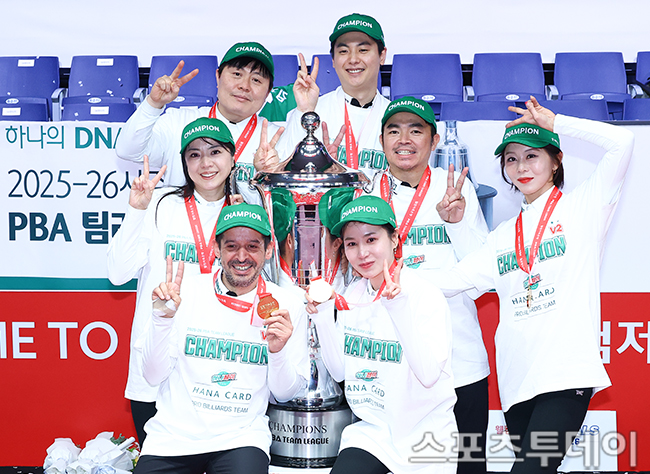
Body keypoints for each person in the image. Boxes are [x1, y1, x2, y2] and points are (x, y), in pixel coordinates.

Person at [433, 97, 634, 473]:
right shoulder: (504, 235)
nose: (521, 167)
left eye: (532, 156)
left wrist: (558, 123)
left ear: (556, 161)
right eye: (511, 159)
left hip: (564, 377)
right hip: (516, 385)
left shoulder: (583, 209)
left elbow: (623, 143)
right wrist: (386, 277)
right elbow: (458, 280)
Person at [134, 202, 309, 474]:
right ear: (217, 249)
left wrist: (277, 353)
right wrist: (162, 320)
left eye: (252, 246)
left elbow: (284, 394)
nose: (242, 256)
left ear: (268, 250)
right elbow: (152, 376)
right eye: (231, 246)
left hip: (241, 439)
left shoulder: (287, 305)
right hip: (174, 438)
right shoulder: (183, 294)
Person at [107, 117, 239, 445]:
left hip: (216, 369)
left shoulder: (244, 213)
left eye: (215, 152)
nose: (205, 163)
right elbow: (118, 274)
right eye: (194, 155)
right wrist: (136, 210)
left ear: (232, 157)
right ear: (184, 163)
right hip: (158, 364)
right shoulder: (160, 203)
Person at [377, 97, 490, 472]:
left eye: (416, 130)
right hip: (391, 362)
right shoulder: (367, 192)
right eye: (394, 130)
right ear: (381, 140)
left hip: (459, 360)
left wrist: (455, 224)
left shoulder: (454, 188)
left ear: (434, 139)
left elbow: (480, 279)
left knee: (467, 465)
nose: (404, 140)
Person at [306, 195, 458, 474]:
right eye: (352, 244)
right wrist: (323, 316)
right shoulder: (354, 295)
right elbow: (340, 372)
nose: (362, 253)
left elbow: (428, 376)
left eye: (371, 239)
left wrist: (398, 308)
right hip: (372, 435)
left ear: (395, 239)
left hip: (426, 439)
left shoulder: (425, 295)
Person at [115, 41, 292, 188]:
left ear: (268, 91)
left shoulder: (276, 139)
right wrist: (153, 104)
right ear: (218, 77)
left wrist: (270, 177)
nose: (244, 86)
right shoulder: (179, 122)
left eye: (256, 80)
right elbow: (128, 151)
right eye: (237, 74)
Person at [283, 13, 390, 178]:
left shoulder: (396, 116)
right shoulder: (312, 111)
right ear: (333, 60)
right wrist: (305, 111)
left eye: (363, 50)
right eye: (344, 51)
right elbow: (284, 170)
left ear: (382, 56)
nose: (353, 59)